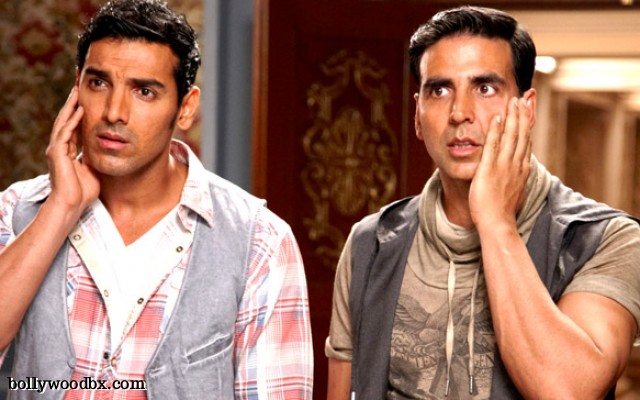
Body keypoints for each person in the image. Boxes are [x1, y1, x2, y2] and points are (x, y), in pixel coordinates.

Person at [0, 0, 313, 398]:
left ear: (185, 108)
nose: (114, 112)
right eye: (98, 83)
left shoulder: (259, 243)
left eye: (144, 91)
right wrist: (60, 209)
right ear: (76, 89)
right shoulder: (16, 211)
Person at [326, 5, 640, 400]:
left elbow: (568, 390)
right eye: (440, 90)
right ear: (418, 116)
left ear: (526, 109)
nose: (460, 113)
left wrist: (495, 221)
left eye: (485, 88)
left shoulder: (607, 240)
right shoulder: (370, 243)